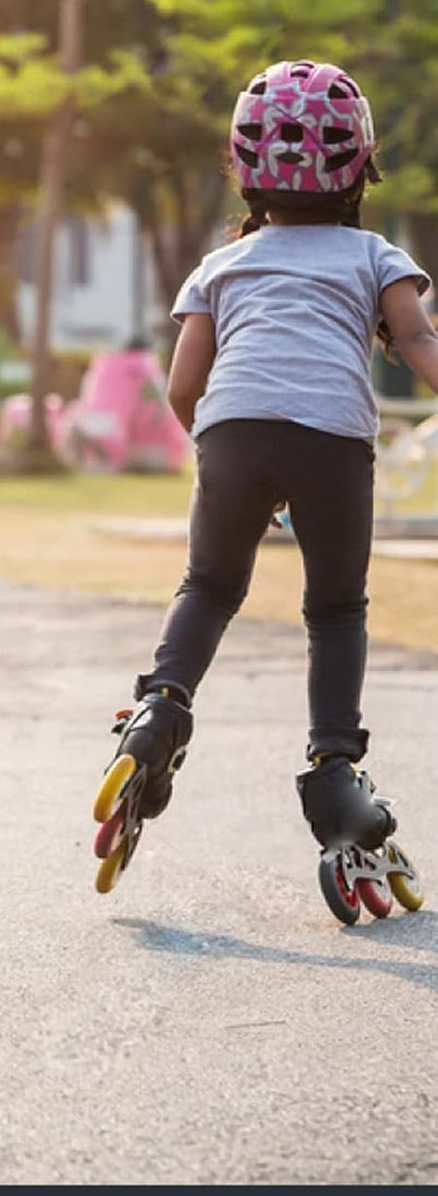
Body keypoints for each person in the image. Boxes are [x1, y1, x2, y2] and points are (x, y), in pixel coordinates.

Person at [92, 59, 435, 914]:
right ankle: (331, 770)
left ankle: (157, 714)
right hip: (330, 441)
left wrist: (221, 455)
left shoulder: (223, 263)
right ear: (359, 162)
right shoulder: (373, 253)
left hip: (230, 432)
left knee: (207, 585)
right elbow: (419, 344)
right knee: (334, 608)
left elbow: (182, 389)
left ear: (245, 167)